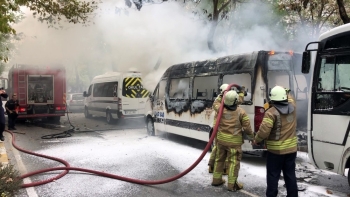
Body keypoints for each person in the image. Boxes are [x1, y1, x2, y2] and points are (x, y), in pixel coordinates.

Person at [252, 86, 298, 197]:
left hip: (276, 152)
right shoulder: (293, 108)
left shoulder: (271, 112)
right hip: (291, 150)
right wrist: (286, 92)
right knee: (290, 175)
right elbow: (291, 99)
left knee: (273, 176)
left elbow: (264, 131)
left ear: (272, 99)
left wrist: (256, 140)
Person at [211, 90, 254, 192]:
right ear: (235, 101)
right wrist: (252, 138)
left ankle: (216, 180)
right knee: (233, 163)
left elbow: (215, 103)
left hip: (221, 141)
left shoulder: (220, 109)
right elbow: (247, 128)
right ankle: (232, 185)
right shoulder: (241, 112)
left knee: (219, 160)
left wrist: (222, 94)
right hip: (234, 143)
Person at [208, 84, 246, 174]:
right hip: (220, 128)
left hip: (219, 127)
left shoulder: (218, 101)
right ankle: (222, 168)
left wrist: (241, 92)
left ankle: (212, 167)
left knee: (218, 148)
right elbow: (239, 100)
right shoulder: (227, 102)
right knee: (221, 150)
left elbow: (239, 99)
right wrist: (241, 92)